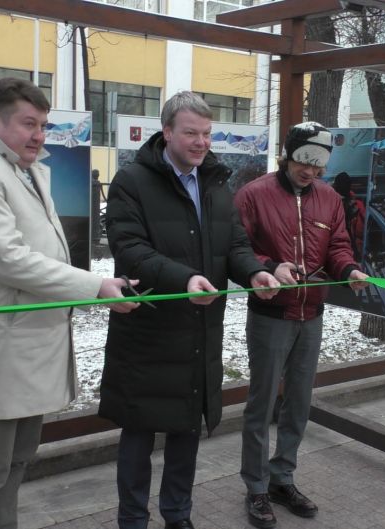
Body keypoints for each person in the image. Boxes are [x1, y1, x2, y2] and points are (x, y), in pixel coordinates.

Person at [0, 77, 139, 529]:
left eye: (44, 124)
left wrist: (98, 284)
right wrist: (96, 285)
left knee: (14, 466)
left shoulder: (20, 167)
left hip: (26, 347)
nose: (39, 135)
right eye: (29, 123)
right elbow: (9, 261)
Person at [99, 91, 280, 529]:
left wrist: (254, 273)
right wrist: (183, 280)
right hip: (147, 334)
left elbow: (234, 246)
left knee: (186, 434)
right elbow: (131, 250)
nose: (201, 142)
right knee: (139, 436)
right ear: (166, 133)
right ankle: (132, 520)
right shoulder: (131, 181)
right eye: (190, 133)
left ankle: (178, 515)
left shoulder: (217, 183)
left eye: (206, 133)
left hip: (199, 331)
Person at [234, 122, 369, 529]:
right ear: (287, 155)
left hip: (312, 316)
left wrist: (348, 270)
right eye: (303, 163)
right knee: (261, 404)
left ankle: (282, 477)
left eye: (318, 166)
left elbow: (339, 246)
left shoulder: (329, 198)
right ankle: (256, 487)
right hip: (270, 315)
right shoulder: (253, 194)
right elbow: (236, 249)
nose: (310, 173)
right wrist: (270, 267)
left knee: (299, 402)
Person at [332, 171, 366, 262]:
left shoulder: (330, 204)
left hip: (335, 249)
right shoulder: (359, 205)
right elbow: (361, 231)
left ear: (335, 186)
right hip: (354, 248)